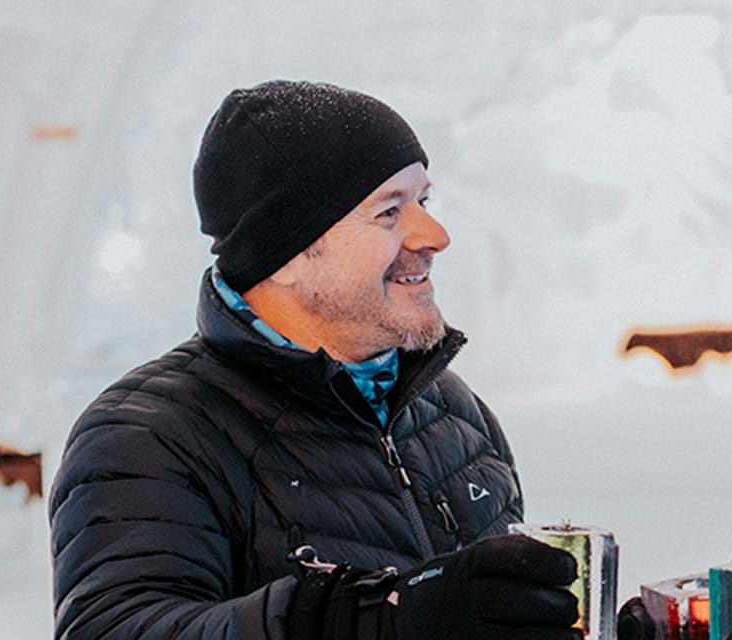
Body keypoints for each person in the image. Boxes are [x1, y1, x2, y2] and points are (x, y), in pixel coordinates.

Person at [48, 80, 578, 639]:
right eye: (388, 212)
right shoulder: (153, 435)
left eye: (422, 202)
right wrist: (379, 618)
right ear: (285, 256)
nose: (435, 235)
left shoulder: (448, 411)